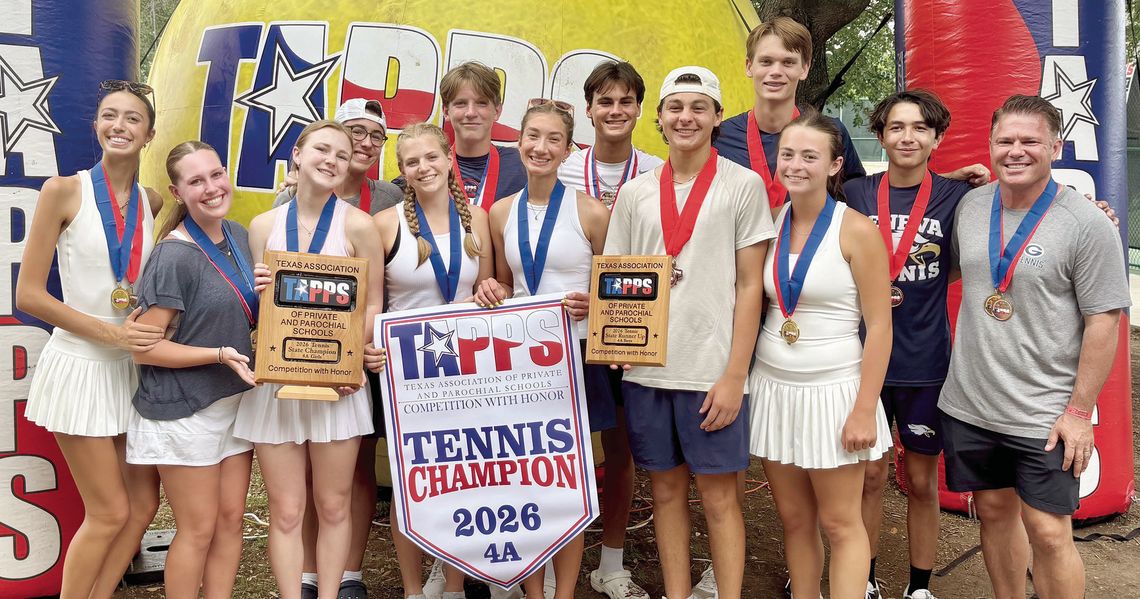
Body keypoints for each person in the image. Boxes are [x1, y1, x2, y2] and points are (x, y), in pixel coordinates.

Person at [938, 95, 1129, 599]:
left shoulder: (1086, 223)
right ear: (991, 145)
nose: (1015, 151)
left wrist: (1079, 412)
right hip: (972, 402)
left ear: (1055, 146)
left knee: (1048, 531)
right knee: (995, 515)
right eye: (1005, 140)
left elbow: (1104, 321)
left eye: (1030, 141)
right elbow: (946, 266)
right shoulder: (973, 206)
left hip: (1045, 413)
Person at [604, 66, 773, 599]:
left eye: (699, 107)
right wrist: (617, 341)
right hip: (649, 369)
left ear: (717, 117)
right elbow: (619, 276)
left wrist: (734, 375)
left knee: (721, 500)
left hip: (713, 371)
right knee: (666, 492)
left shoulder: (742, 186)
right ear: (659, 119)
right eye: (676, 107)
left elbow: (751, 287)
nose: (686, 117)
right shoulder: (634, 194)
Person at [15, 80, 165, 599]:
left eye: (132, 118)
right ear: (96, 125)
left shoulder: (152, 200)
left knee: (142, 508)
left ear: (149, 133)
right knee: (109, 512)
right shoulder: (63, 190)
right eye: (109, 116)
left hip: (130, 372)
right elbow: (29, 294)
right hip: (80, 366)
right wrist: (110, 333)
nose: (119, 126)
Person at [233, 120, 385, 599]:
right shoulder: (263, 226)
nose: (332, 161)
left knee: (334, 504)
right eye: (322, 149)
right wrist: (257, 294)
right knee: (286, 509)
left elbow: (374, 303)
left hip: (336, 387)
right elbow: (260, 310)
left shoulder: (359, 225)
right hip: (276, 385)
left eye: (342, 155)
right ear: (296, 155)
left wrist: (351, 360)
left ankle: (330, 592)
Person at [748, 110, 892, 599]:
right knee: (793, 519)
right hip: (774, 387)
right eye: (787, 154)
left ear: (834, 165)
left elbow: (879, 327)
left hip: (835, 392)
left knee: (839, 521)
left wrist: (864, 409)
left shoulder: (856, 231)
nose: (795, 164)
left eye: (810, 156)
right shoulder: (771, 223)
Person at [473, 100, 613, 599]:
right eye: (533, 136)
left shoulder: (592, 213)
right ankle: (533, 589)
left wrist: (593, 303)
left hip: (573, 358)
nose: (541, 147)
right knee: (524, 477)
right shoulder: (500, 211)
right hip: (517, 363)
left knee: (568, 481)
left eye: (554, 139)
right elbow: (506, 286)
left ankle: (565, 591)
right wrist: (492, 291)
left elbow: (615, 297)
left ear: (568, 148)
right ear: (519, 141)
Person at [842, 90, 974, 599]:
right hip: (861, 363)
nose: (908, 136)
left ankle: (919, 588)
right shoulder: (854, 192)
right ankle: (866, 579)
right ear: (880, 136)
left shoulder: (956, 196)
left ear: (937, 138)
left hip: (925, 364)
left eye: (920, 128)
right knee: (869, 478)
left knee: (922, 482)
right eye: (896, 127)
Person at [271, 97, 401, 599]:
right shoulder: (282, 208)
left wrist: (366, 342)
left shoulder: (390, 196)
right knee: (302, 472)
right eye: (355, 134)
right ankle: (307, 572)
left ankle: (348, 572)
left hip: (363, 349)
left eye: (374, 136)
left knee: (356, 467)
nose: (365, 143)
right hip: (302, 347)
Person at [125, 141, 257, 599]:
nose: (211, 187)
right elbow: (144, 349)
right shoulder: (174, 255)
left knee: (230, 522)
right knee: (198, 529)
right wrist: (218, 354)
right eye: (196, 181)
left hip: (231, 401)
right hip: (183, 409)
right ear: (177, 192)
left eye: (216, 174)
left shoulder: (238, 235)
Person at [375, 121, 493, 599]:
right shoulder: (384, 225)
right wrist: (368, 345)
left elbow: (491, 287)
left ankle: (453, 583)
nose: (422, 168)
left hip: (467, 371)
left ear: (448, 160)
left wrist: (493, 288)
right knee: (411, 486)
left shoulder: (478, 219)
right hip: (407, 374)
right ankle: (412, 590)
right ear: (402, 171)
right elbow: (370, 304)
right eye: (411, 162)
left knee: (461, 481)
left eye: (430, 157)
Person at [554, 59, 658, 599]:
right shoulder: (562, 169)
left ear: (639, 109)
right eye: (605, 101)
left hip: (628, 326)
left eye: (626, 101)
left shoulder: (659, 171)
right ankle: (548, 558)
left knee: (620, 447)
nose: (615, 111)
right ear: (589, 110)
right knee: (558, 447)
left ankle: (611, 563)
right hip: (566, 332)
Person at [714, 17, 864, 212]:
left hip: (811, 242)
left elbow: (855, 196)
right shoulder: (719, 137)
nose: (776, 71)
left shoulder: (831, 132)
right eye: (766, 61)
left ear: (804, 68)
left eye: (788, 62)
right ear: (749, 66)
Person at [437, 61, 527, 210]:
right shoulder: (431, 165)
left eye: (481, 103)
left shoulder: (520, 165)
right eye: (461, 103)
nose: (471, 113)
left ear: (497, 111)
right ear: (446, 112)